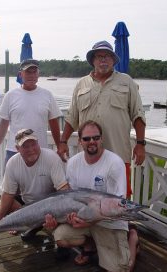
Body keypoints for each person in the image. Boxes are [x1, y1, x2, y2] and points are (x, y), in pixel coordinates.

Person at [45, 120, 139, 272]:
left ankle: (133, 239)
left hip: (109, 222)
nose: (92, 142)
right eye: (87, 139)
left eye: (96, 137)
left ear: (101, 139)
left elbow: (118, 207)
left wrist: (89, 222)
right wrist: (72, 217)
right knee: (60, 237)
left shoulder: (114, 163)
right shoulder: (73, 163)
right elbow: (71, 198)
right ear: (80, 141)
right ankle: (92, 244)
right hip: (85, 220)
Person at [58, 41, 146, 198]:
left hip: (118, 152)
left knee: (120, 198)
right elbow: (72, 117)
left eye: (107, 56)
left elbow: (138, 115)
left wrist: (140, 144)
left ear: (113, 60)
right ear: (93, 60)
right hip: (88, 156)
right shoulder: (81, 84)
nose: (103, 60)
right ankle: (89, 221)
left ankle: (122, 223)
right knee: (86, 196)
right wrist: (63, 141)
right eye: (99, 56)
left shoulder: (127, 82)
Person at [0, 128, 68, 233]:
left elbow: (64, 190)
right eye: (25, 146)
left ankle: (27, 225)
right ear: (17, 149)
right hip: (26, 204)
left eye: (33, 144)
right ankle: (27, 225)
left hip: (48, 206)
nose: (31, 149)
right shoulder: (12, 163)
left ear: (38, 143)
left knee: (55, 226)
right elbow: (8, 194)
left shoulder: (51, 158)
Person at [0, 59, 62, 167]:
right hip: (15, 151)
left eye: (34, 72)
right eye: (28, 72)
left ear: (38, 74)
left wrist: (59, 147)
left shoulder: (47, 95)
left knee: (42, 184)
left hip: (40, 151)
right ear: (20, 74)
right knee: (10, 184)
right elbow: (3, 124)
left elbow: (54, 123)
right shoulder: (10, 95)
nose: (31, 75)